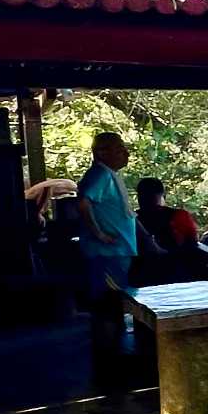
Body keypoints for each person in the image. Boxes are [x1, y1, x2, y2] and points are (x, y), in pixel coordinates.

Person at [77, 133, 137, 377]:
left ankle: (114, 351)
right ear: (102, 152)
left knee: (114, 302)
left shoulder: (111, 175)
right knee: (107, 304)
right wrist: (99, 234)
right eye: (119, 149)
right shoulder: (100, 174)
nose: (125, 153)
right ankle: (108, 360)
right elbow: (83, 202)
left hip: (117, 253)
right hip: (106, 254)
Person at [133, 177, 202, 284]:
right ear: (162, 195)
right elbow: (192, 244)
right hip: (179, 273)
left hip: (142, 275)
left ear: (138, 197)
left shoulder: (131, 220)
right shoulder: (179, 215)